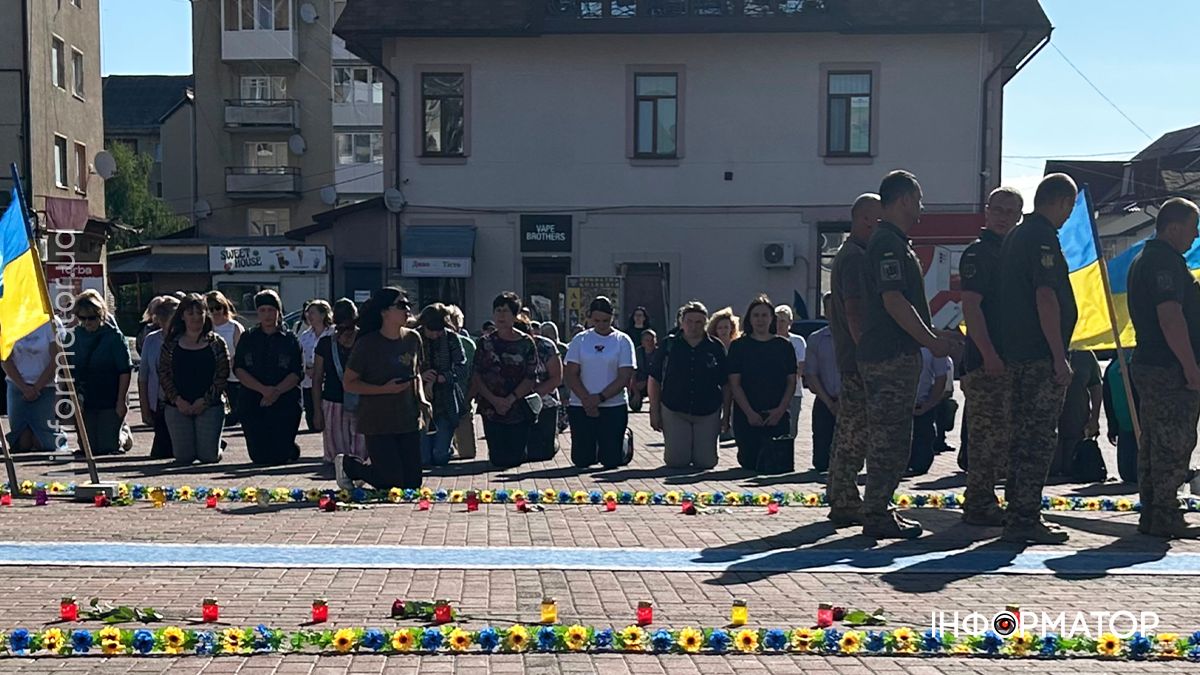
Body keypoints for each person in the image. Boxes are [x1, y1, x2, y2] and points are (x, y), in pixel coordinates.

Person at [858, 171, 953, 539]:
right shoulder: (888, 243)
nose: (921, 206)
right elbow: (894, 300)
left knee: (894, 435)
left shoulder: (894, 241)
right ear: (903, 200)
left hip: (894, 352)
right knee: (890, 438)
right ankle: (877, 512)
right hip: (888, 355)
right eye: (918, 198)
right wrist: (930, 340)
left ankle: (880, 508)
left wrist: (931, 337)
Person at [996, 173, 1080, 544]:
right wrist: (1058, 356)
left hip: (1018, 353)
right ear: (1060, 201)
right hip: (1038, 356)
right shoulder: (1042, 237)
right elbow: (1046, 297)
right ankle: (1025, 517)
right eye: (1069, 207)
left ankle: (1018, 510)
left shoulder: (1017, 235)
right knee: (1037, 438)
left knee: (1021, 436)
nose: (1068, 215)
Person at [1127, 197, 1200, 537]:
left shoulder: (1152, 258)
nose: (1195, 235)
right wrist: (1190, 366)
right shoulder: (1163, 262)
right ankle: (1166, 513)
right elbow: (1170, 317)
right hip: (1168, 368)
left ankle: (1154, 512)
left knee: (1155, 442)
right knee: (1173, 441)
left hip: (1154, 364)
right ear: (1172, 227)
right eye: (1191, 228)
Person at [958, 186, 1022, 524]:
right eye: (998, 210)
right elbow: (972, 307)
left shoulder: (1012, 252)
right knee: (985, 437)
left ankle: (998, 501)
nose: (1003, 217)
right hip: (987, 362)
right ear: (986, 211)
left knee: (1006, 437)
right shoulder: (980, 253)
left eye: (1011, 212)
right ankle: (980, 503)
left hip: (1013, 359)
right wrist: (989, 354)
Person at [335, 288, 430, 491]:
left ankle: (376, 469)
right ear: (384, 312)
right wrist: (384, 389)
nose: (407, 310)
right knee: (391, 483)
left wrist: (422, 399)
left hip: (408, 418)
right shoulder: (367, 344)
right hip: (377, 420)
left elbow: (417, 373)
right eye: (401, 305)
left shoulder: (413, 339)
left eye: (408, 305)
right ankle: (349, 465)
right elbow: (349, 383)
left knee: (412, 484)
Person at [825, 193, 881, 526]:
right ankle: (844, 498)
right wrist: (868, 355)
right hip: (860, 360)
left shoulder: (853, 255)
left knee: (850, 429)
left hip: (853, 359)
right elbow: (855, 310)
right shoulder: (856, 259)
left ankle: (840, 492)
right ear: (864, 219)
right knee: (855, 432)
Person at [648, 301, 729, 470]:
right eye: (689, 321)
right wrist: (654, 412)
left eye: (699, 322)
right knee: (676, 462)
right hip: (674, 408)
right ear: (681, 322)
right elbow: (654, 379)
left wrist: (726, 415)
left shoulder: (715, 347)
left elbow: (726, 383)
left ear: (706, 323)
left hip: (708, 410)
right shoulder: (669, 344)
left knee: (706, 463)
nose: (694, 326)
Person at [727, 295, 797, 471]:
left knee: (776, 465)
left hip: (777, 415)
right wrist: (750, 413)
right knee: (750, 463)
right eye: (756, 315)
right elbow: (735, 384)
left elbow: (791, 382)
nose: (760, 320)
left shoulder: (784, 346)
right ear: (749, 319)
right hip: (748, 415)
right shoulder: (738, 347)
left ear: (772, 318)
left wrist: (780, 411)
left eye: (764, 315)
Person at [564, 296, 636, 468]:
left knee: (611, 461)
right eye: (596, 320)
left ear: (612, 318)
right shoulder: (580, 340)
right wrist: (586, 399)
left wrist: (600, 398)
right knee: (582, 460)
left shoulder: (622, 340)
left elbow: (624, 376)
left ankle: (624, 441)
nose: (601, 324)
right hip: (581, 404)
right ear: (589, 318)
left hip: (613, 404)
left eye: (605, 320)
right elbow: (571, 373)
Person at [233, 290, 303, 465]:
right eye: (262, 310)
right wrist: (264, 391)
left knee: (278, 457)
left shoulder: (290, 339)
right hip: (254, 399)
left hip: (284, 399)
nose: (267, 315)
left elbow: (296, 373)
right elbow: (239, 369)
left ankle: (287, 446)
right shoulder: (248, 337)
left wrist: (275, 392)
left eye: (271, 310)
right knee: (259, 457)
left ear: (278, 312)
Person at [158, 294, 229, 465]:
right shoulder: (171, 344)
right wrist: (177, 400)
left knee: (208, 457)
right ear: (182, 316)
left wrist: (204, 401)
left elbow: (222, 375)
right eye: (191, 313)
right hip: (178, 405)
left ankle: (216, 446)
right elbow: (164, 374)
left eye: (200, 313)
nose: (196, 317)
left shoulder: (217, 343)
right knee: (184, 457)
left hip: (209, 405)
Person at [473, 292, 538, 468]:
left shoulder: (526, 343)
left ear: (515, 315)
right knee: (498, 458)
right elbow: (477, 375)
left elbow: (530, 376)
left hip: (518, 407)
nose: (501, 315)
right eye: (498, 310)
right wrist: (495, 401)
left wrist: (509, 400)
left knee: (515, 458)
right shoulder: (484, 342)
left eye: (506, 311)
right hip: (491, 407)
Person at [68, 291, 133, 456]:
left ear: (100, 315)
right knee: (88, 448)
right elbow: (70, 369)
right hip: (87, 396)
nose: (87, 322)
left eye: (92, 318)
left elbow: (124, 370)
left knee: (107, 447)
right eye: (83, 318)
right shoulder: (76, 336)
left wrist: (121, 401)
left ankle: (123, 433)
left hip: (110, 396)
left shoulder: (114, 337)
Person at [312, 298, 367, 466]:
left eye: (348, 327)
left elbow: (317, 379)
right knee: (346, 455)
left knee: (352, 454)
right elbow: (317, 378)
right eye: (342, 328)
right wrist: (316, 411)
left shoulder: (363, 342)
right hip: (342, 400)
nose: (345, 332)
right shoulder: (326, 343)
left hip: (353, 402)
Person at [3, 318, 65, 453]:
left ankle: (59, 436)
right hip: (17, 386)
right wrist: (24, 388)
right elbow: (5, 359)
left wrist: (37, 388)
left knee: (43, 443)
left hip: (45, 386)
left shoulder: (52, 323)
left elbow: (56, 359)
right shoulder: (9, 320)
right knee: (22, 444)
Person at [418, 303, 469, 466]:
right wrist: (421, 376)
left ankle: (446, 448)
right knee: (424, 459)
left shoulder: (451, 338)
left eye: (438, 330)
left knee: (439, 456)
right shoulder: (413, 337)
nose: (434, 334)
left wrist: (443, 377)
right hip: (421, 403)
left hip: (445, 402)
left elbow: (462, 367)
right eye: (431, 330)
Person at [137, 296, 180, 459]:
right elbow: (143, 376)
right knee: (160, 452)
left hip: (179, 401)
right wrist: (144, 407)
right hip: (159, 402)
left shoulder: (185, 338)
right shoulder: (151, 339)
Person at [1050, 350, 1102, 477]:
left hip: (1077, 421)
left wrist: (1094, 418)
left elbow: (1096, 387)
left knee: (1073, 469)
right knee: (1051, 469)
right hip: (1049, 423)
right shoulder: (1045, 348)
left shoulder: (1085, 354)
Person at [521, 316, 564, 462]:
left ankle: (553, 438)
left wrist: (532, 395)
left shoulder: (546, 346)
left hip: (545, 402)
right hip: (513, 404)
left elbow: (556, 378)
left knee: (543, 453)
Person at [804, 295, 839, 472]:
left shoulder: (858, 336)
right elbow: (811, 374)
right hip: (824, 400)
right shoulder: (815, 339)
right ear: (825, 312)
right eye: (830, 308)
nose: (834, 311)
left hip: (851, 401)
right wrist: (829, 403)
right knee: (821, 461)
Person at [908, 347, 950, 476]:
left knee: (923, 437)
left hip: (922, 403)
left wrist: (929, 404)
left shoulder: (934, 346)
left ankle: (918, 465)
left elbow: (941, 378)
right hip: (894, 404)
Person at [206, 291, 244, 427]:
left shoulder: (234, 327)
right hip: (212, 376)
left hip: (233, 376)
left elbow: (240, 351)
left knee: (234, 413)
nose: (215, 312)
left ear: (224, 307)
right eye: (210, 309)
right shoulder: (206, 328)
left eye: (218, 307)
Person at [446, 305, 478, 460]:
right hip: (441, 401)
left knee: (467, 453)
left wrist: (469, 397)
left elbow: (473, 375)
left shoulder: (468, 345)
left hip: (463, 398)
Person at [1102, 353, 1138, 484]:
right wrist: (1112, 427)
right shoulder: (1113, 367)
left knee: (1136, 470)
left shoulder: (1136, 363)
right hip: (1123, 423)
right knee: (1127, 472)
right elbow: (1108, 398)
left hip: (1140, 422)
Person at [299, 300, 334, 433]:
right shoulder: (305, 336)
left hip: (328, 383)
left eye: (313, 312)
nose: (309, 316)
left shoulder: (333, 333)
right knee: (312, 421)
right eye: (308, 313)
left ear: (323, 314)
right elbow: (300, 357)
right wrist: (306, 370)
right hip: (309, 382)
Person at [774, 304, 807, 439]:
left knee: (791, 430)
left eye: (783, 321)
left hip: (794, 392)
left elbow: (800, 367)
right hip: (773, 393)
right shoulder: (769, 341)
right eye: (776, 321)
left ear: (790, 323)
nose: (779, 324)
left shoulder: (797, 341)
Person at [708, 307, 740, 441]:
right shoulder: (712, 346)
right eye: (720, 328)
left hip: (735, 383)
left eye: (726, 327)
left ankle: (731, 430)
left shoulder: (737, 345)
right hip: (718, 383)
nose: (723, 331)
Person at [628, 329, 658, 413]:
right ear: (642, 342)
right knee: (635, 405)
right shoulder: (637, 353)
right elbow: (632, 373)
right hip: (640, 383)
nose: (650, 343)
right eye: (647, 340)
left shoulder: (659, 353)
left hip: (656, 383)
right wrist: (636, 391)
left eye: (652, 340)